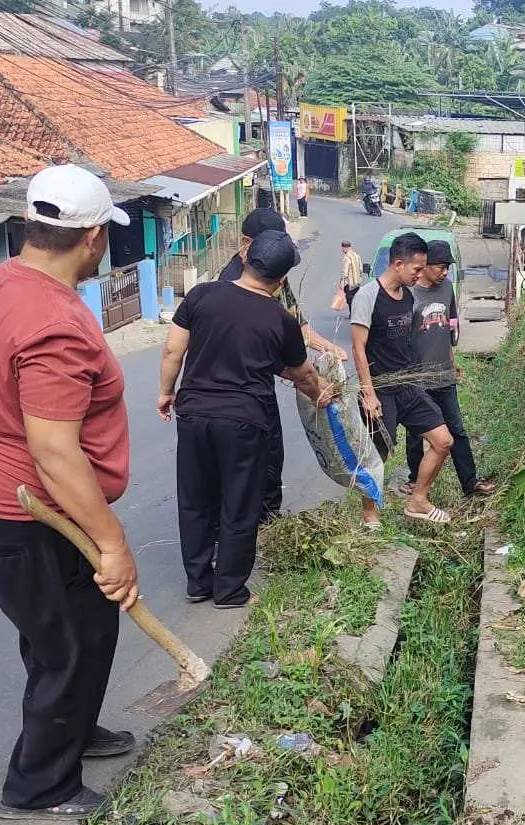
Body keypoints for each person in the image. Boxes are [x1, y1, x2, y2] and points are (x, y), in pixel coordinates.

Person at [0, 165, 138, 822]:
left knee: (68, 629)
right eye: (104, 235)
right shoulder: (54, 322)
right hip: (24, 517)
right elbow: (54, 451)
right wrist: (113, 544)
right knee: (70, 644)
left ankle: (73, 731)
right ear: (90, 237)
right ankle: (38, 786)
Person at [159, 229, 333, 607]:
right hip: (244, 421)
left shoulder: (201, 294)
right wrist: (321, 392)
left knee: (195, 500)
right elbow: (301, 373)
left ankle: (199, 583)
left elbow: (173, 350)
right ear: (282, 278)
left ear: (246, 257)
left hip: (193, 415)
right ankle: (230, 590)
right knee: (239, 502)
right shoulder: (279, 318)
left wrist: (165, 392)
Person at [220, 207, 345, 524]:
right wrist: (312, 382)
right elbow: (261, 351)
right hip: (238, 390)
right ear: (246, 244)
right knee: (253, 460)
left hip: (257, 384)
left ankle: (264, 521)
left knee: (270, 456)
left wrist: (329, 347)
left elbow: (295, 324)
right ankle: (249, 527)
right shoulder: (231, 285)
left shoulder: (272, 270)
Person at [350, 231, 455, 527]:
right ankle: (369, 514)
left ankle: (418, 500)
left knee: (443, 441)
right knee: (378, 453)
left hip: (407, 384)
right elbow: (358, 348)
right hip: (380, 387)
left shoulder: (407, 297)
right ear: (398, 263)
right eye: (416, 269)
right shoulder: (368, 296)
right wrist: (368, 394)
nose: (419, 275)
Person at [400, 240, 494, 499]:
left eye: (447, 268)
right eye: (441, 267)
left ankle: (470, 482)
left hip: (444, 375)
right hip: (417, 379)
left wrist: (452, 363)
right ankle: (414, 481)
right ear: (425, 266)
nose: (444, 273)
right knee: (416, 434)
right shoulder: (409, 296)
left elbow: (449, 327)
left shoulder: (447, 289)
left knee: (457, 430)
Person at [332, 239, 364, 316]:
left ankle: (352, 314)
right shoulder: (357, 256)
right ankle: (357, 313)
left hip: (350, 283)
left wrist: (342, 284)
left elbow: (345, 273)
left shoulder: (347, 258)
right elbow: (361, 269)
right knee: (356, 298)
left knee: (350, 299)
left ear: (344, 248)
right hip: (357, 282)